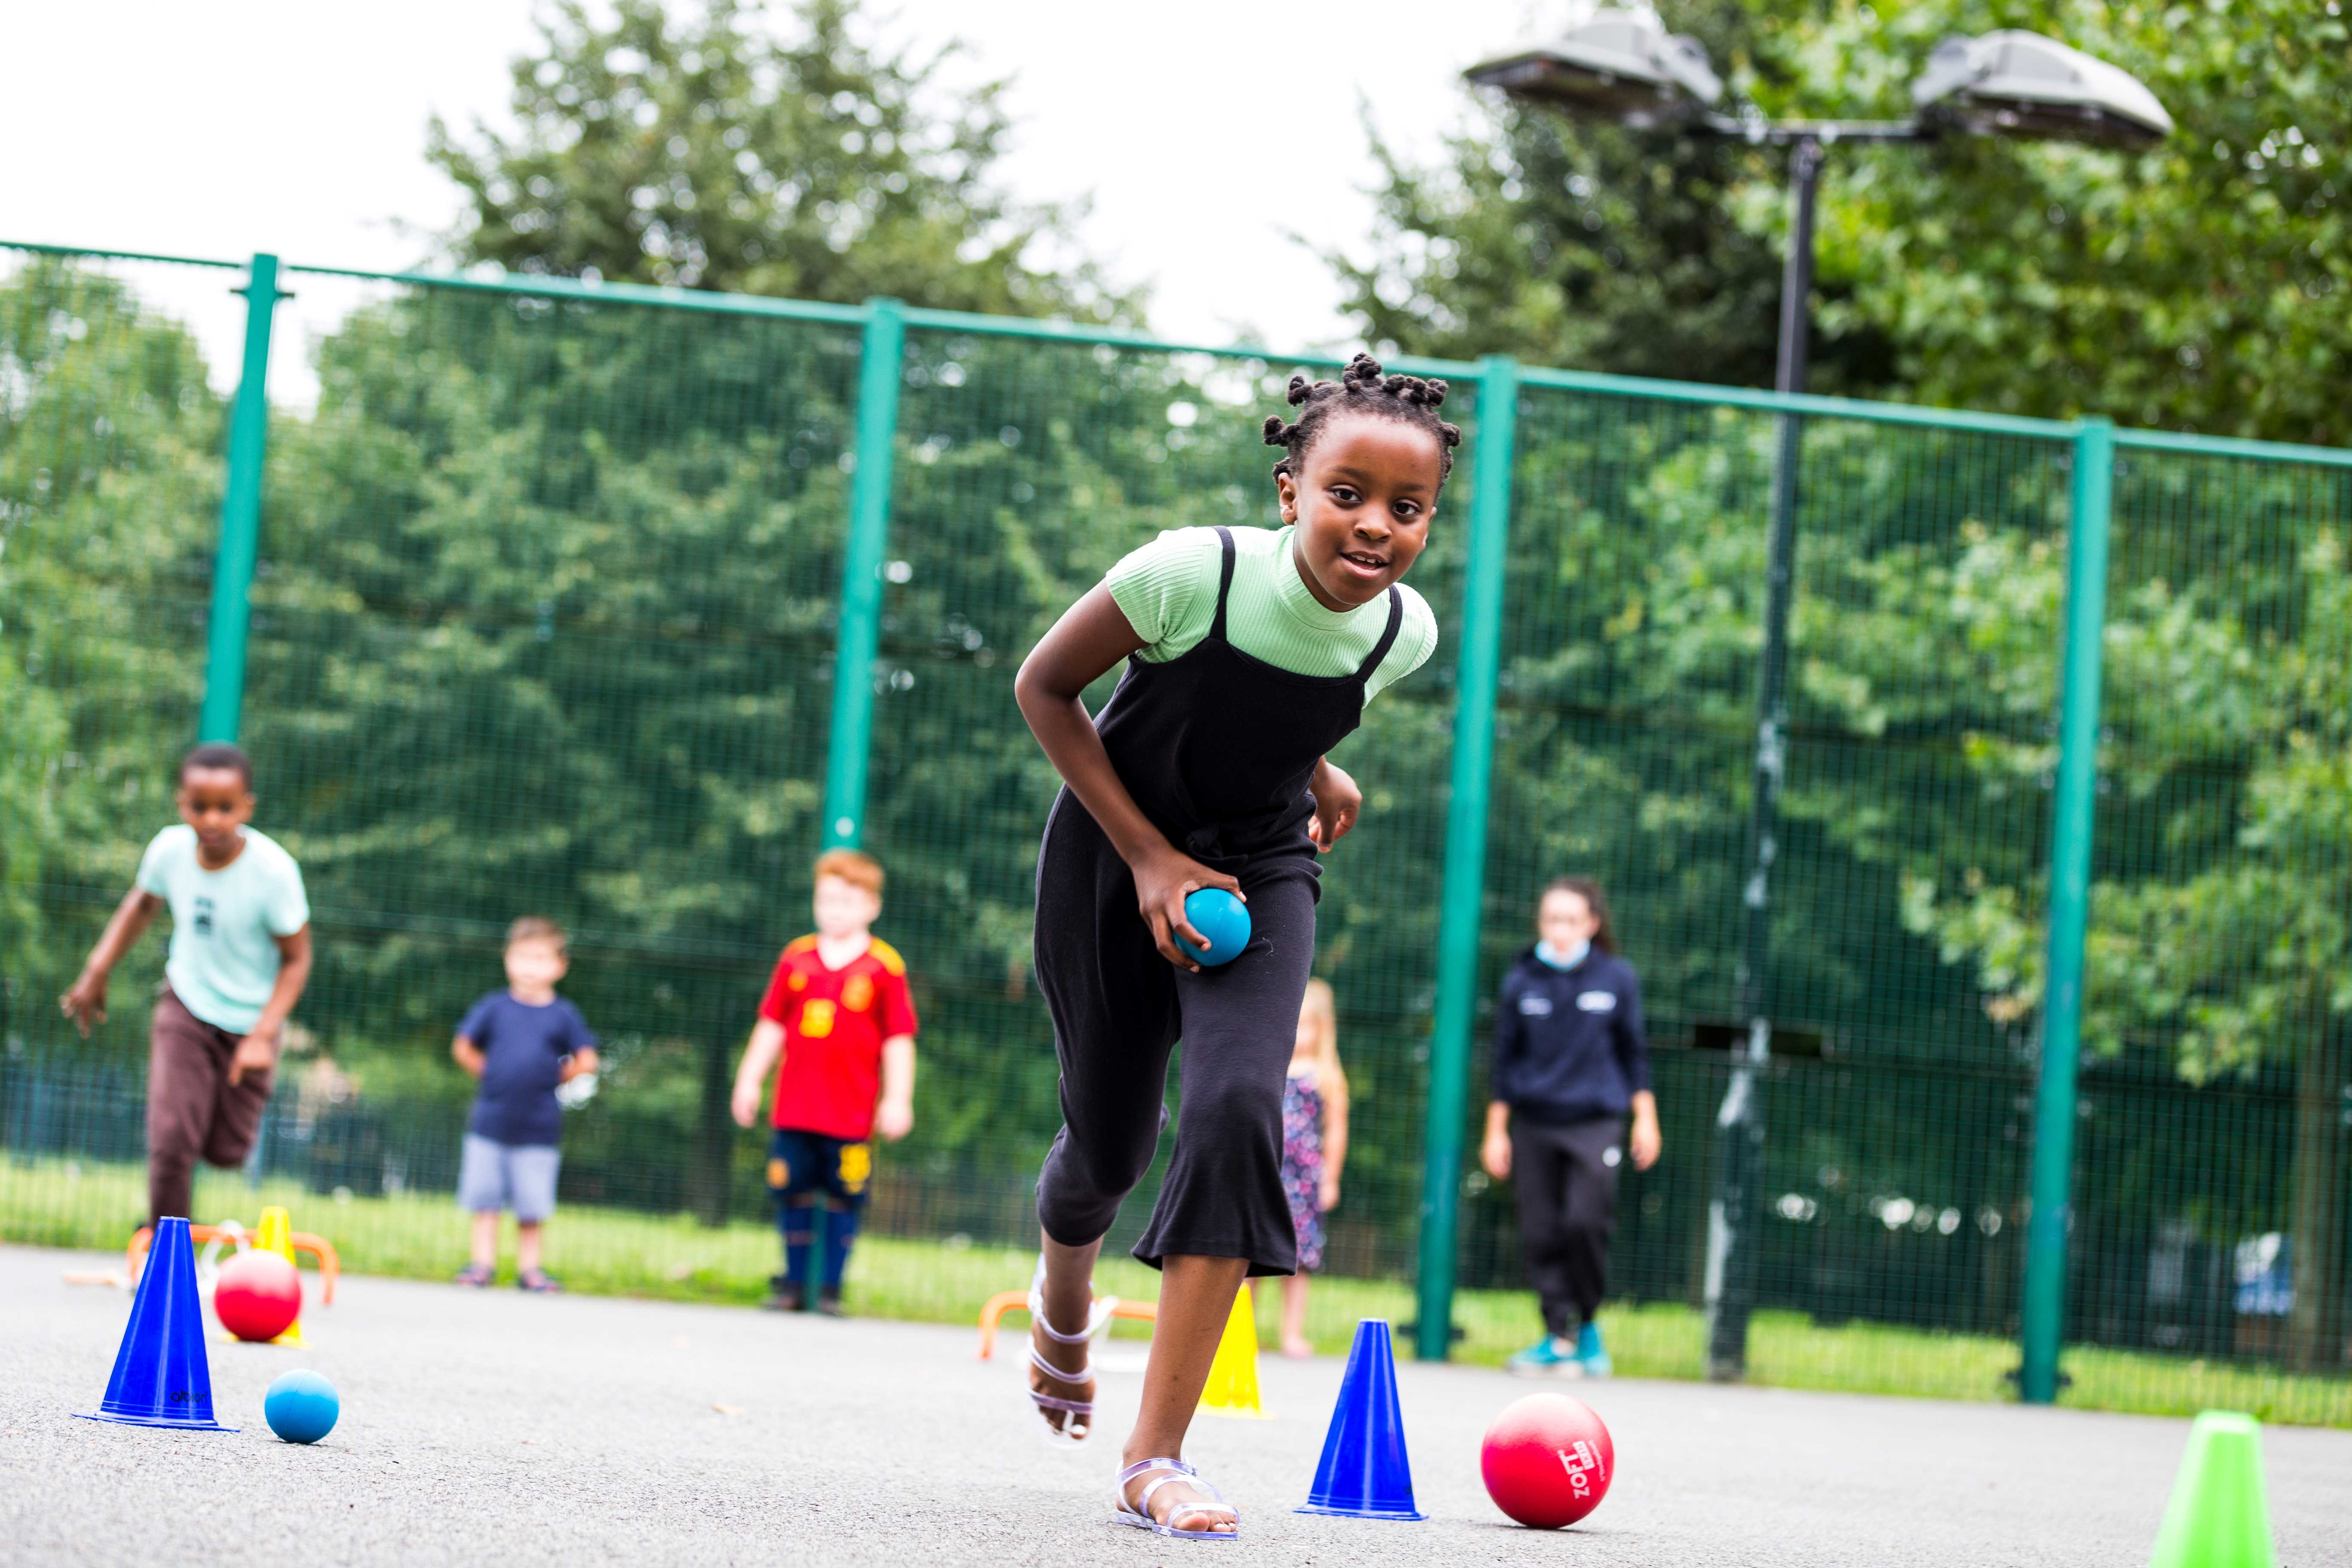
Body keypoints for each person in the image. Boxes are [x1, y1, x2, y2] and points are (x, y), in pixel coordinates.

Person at [1013, 354, 1451, 1538]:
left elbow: (1280, 703)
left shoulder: (1399, 635)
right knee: (1109, 1145)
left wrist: (1315, 766)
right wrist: (1152, 858)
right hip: (1113, 855)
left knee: (1235, 1114)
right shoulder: (1186, 573)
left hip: (1263, 864)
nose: (1376, 526)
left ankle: (1156, 1459)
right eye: (1347, 493)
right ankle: (1064, 1307)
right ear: (1289, 489)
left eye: (1407, 510)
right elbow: (1047, 690)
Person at [59, 743, 314, 1226]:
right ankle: (164, 1248)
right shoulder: (169, 850)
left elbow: (297, 960)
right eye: (199, 807)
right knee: (173, 1138)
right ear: (182, 804)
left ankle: (175, 1223)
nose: (212, 820)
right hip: (187, 1003)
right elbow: (141, 906)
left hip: (251, 1020)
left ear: (247, 808)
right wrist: (97, 969)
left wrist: (262, 1035)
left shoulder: (274, 873)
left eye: (226, 808)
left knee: (226, 1151)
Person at [1482, 876, 1660, 1378]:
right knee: (1540, 1231)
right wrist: (1496, 1131)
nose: (1560, 929)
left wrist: (1646, 1118)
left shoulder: (1617, 978)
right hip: (1535, 1123)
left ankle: (1589, 1326)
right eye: (1551, 918)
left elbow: (1634, 1055)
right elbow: (1504, 1062)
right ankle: (1556, 1334)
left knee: (1585, 1222)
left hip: (1596, 1123)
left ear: (1592, 924)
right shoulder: (1521, 979)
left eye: (1571, 920)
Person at [730, 848, 918, 1317]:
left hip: (852, 1114)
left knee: (844, 1197)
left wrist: (898, 1099)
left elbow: (899, 1039)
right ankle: (792, 1285)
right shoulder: (796, 958)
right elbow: (771, 1025)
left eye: (848, 901)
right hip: (794, 1108)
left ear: (872, 906)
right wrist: (749, 1079)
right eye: (827, 900)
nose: (836, 910)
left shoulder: (884, 967)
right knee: (790, 1189)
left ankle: (831, 1289)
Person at [450, 916, 600, 1291]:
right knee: (485, 1202)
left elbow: (588, 1059)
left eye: (540, 958)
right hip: (490, 1122)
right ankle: (482, 1265)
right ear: (507, 960)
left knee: (532, 1206)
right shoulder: (494, 1007)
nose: (530, 967)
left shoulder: (563, 1014)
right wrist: (491, 1072)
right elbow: (463, 1046)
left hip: (539, 1127)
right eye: (523, 957)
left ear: (559, 966)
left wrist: (556, 1077)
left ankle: (530, 1269)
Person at [1268, 977, 1348, 1359]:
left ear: (1322, 1029)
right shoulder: (1271, 1066)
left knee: (1298, 1263)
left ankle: (1292, 1333)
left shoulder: (1325, 1076)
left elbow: (1336, 1131)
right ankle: (1239, 1330)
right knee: (1250, 1257)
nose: (1299, 1033)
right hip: (1266, 1176)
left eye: (1307, 1025)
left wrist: (1330, 1179)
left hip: (1303, 1184)